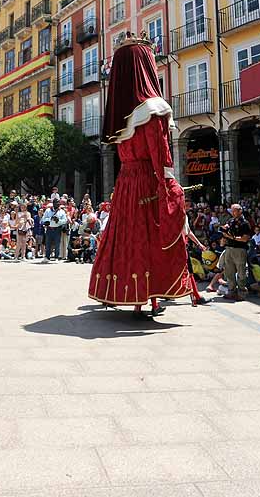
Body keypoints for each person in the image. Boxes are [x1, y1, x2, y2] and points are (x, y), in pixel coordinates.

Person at [87, 34, 191, 316]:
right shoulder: (152, 109)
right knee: (151, 239)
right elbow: (161, 155)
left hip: (125, 184)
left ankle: (125, 294)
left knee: (125, 237)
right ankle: (152, 297)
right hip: (147, 181)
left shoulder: (120, 116)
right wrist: (170, 184)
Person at [219, 204, 251, 302]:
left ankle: (242, 292)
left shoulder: (245, 223)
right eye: (232, 211)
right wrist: (224, 237)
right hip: (229, 248)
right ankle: (231, 291)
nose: (233, 213)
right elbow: (225, 232)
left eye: (235, 211)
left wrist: (231, 237)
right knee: (229, 271)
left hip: (240, 250)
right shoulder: (230, 221)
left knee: (241, 271)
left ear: (240, 211)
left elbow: (245, 238)